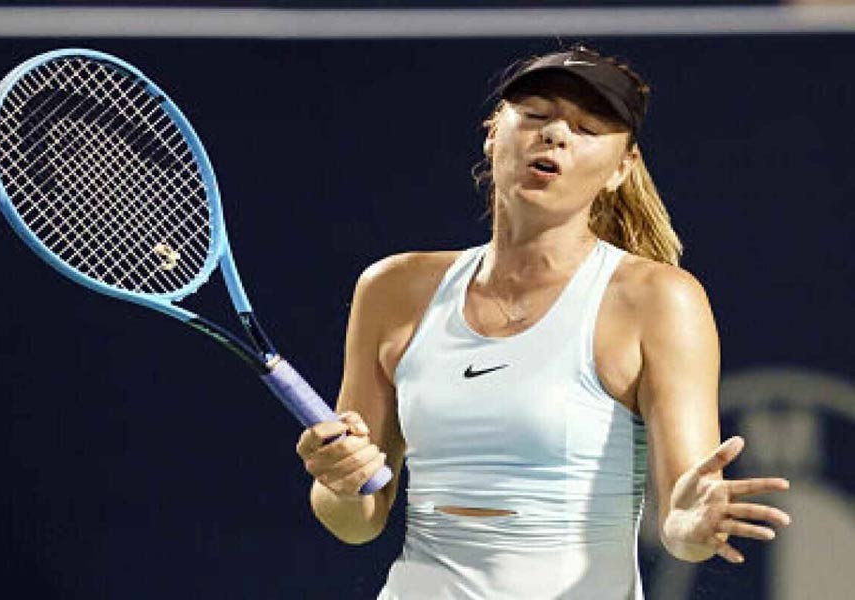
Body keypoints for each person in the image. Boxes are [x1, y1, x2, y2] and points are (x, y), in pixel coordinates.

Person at [295, 45, 791, 599]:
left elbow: (683, 523)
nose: (555, 134)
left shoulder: (658, 299)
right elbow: (359, 520)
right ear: (492, 133)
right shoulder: (392, 288)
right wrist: (337, 481)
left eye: (587, 128)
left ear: (620, 170)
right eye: (535, 115)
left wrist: (693, 523)